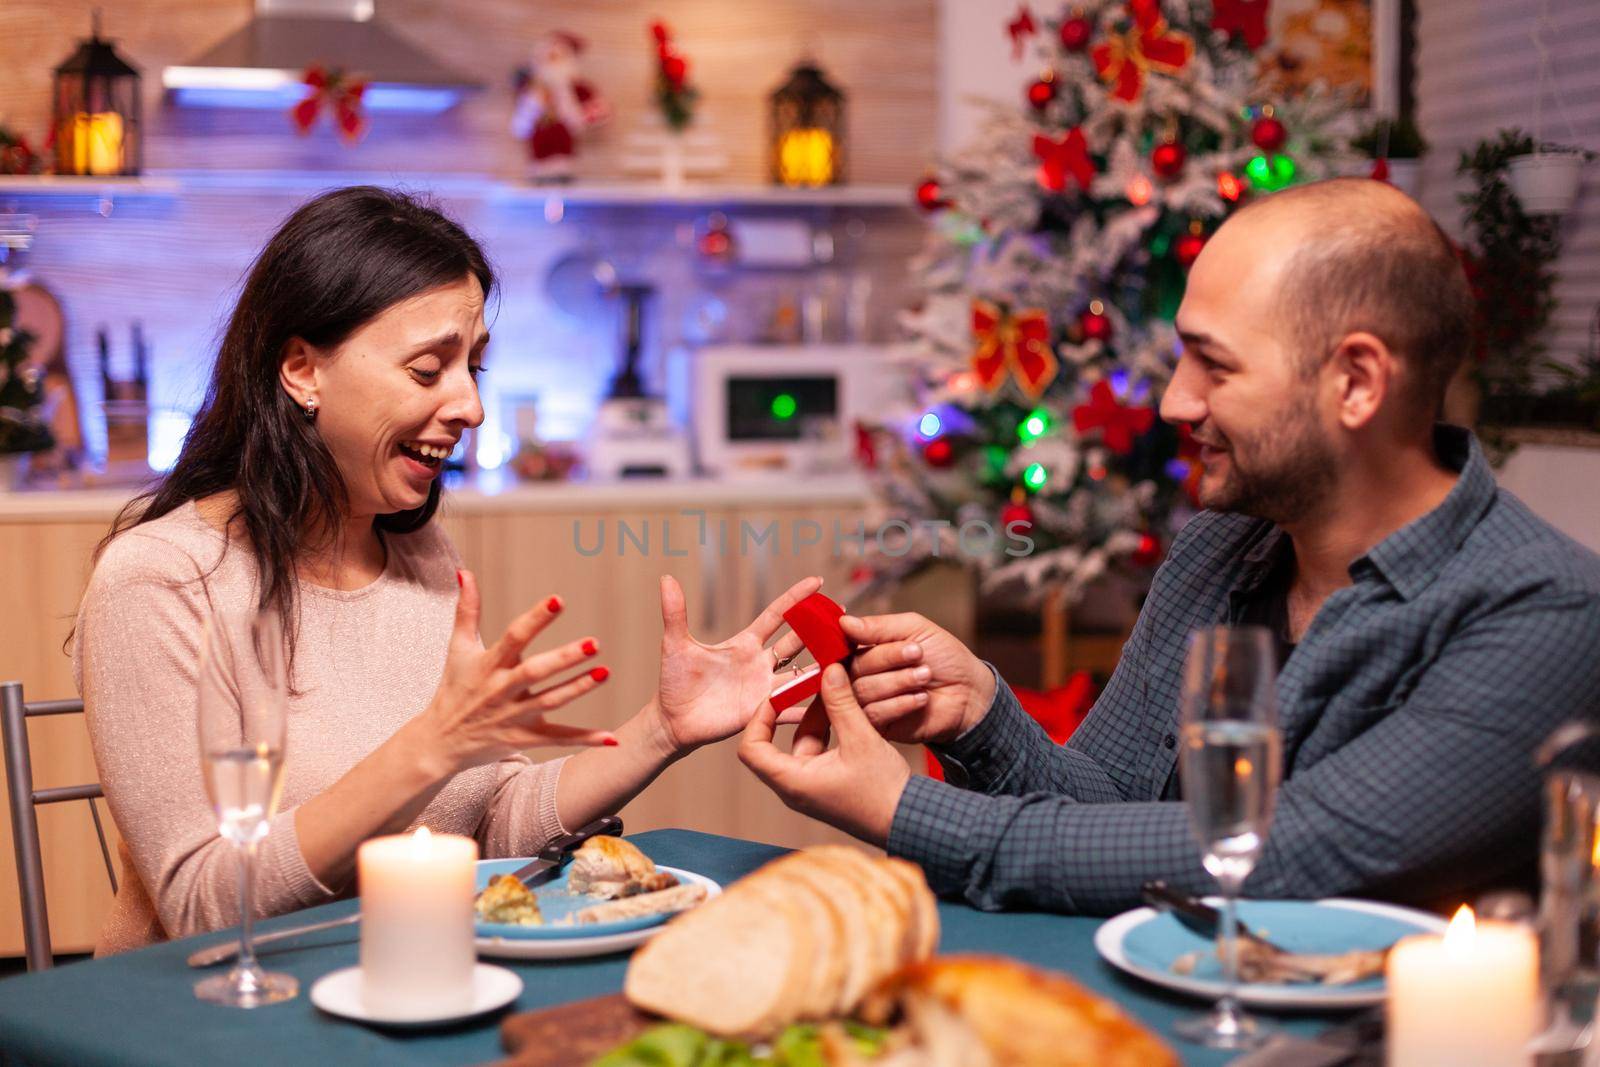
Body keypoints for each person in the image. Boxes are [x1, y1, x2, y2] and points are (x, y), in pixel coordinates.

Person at [740, 178, 1600, 915]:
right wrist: (979, 711)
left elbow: (1286, 856)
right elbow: (1106, 806)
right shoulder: (1221, 548)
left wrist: (904, 810)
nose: (1174, 404)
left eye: (1213, 365)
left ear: (1357, 382)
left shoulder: (1546, 611)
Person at [75, 187, 817, 953]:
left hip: (409, 968)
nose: (470, 406)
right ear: (302, 369)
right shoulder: (162, 581)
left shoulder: (421, 556)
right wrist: (429, 745)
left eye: (474, 370)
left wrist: (662, 730)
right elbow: (201, 904)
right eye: (429, 370)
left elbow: (485, 816)